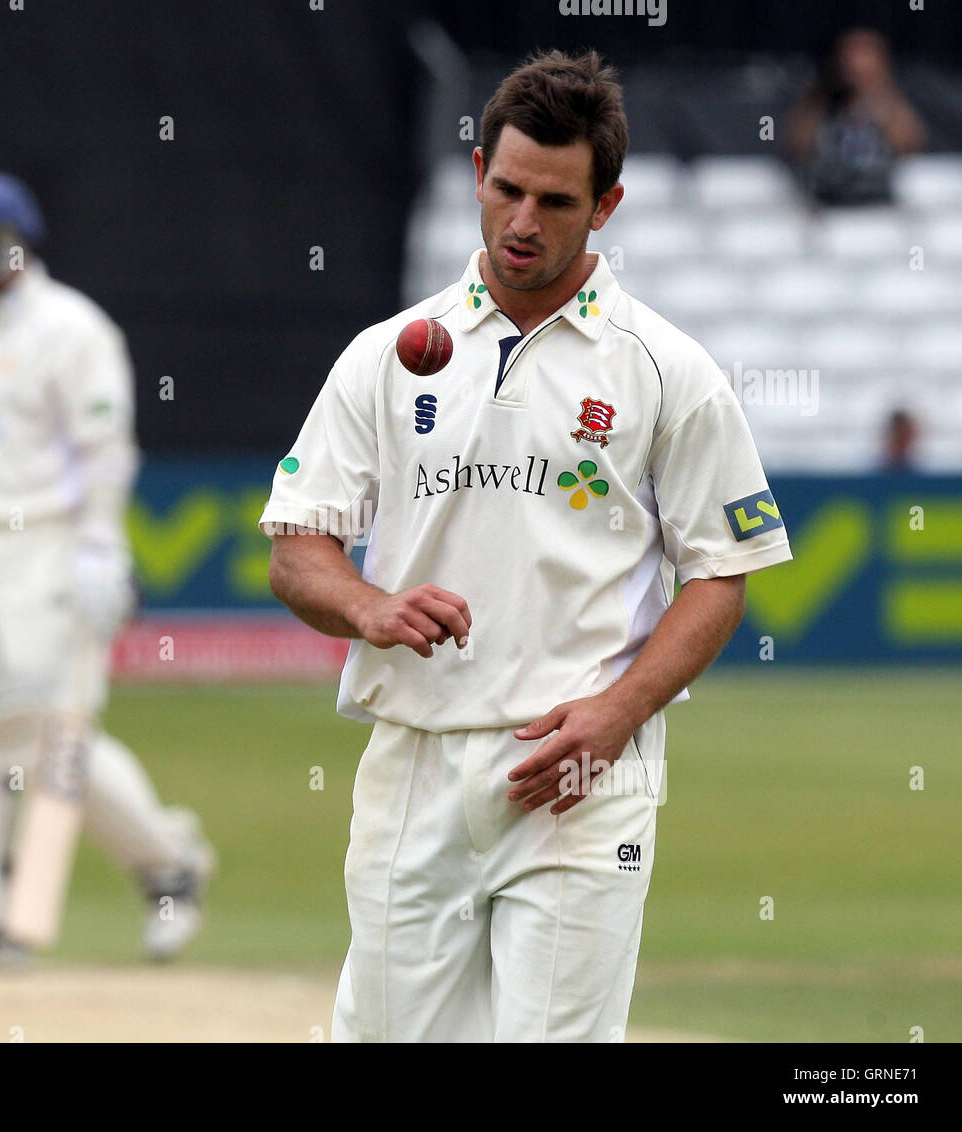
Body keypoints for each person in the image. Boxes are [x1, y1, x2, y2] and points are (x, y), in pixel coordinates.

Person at [259, 50, 793, 1042]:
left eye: (554, 201)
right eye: (505, 189)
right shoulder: (388, 355)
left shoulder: (665, 370)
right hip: (414, 759)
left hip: (579, 775)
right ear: (475, 174)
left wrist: (618, 712)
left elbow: (720, 574)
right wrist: (368, 606)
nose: (520, 222)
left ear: (606, 205)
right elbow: (298, 547)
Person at [0, 171, 213, 969]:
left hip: (47, 544)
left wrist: (103, 549)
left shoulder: (75, 329)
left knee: (45, 739)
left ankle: (169, 862)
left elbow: (105, 450)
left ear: (8, 247)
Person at [788, 27, 925, 207]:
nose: (854, 63)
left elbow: (909, 143)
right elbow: (796, 143)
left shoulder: (891, 101)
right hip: (826, 198)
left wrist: (873, 91)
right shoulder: (822, 100)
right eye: (849, 54)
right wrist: (827, 93)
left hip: (877, 200)